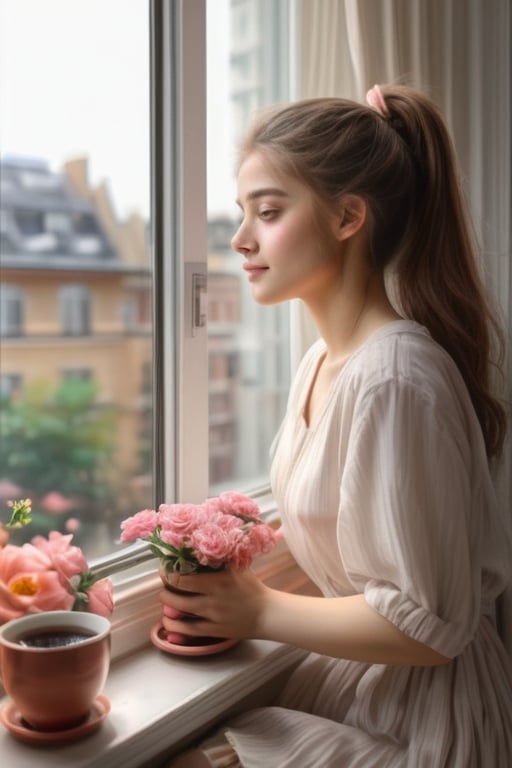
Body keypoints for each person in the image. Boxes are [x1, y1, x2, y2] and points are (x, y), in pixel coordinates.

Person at [164, 85, 512, 767]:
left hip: (425, 719)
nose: (240, 240)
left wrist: (257, 610)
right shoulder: (321, 361)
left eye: (267, 211)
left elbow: (428, 628)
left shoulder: (395, 379)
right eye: (244, 213)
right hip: (367, 687)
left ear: (348, 216)